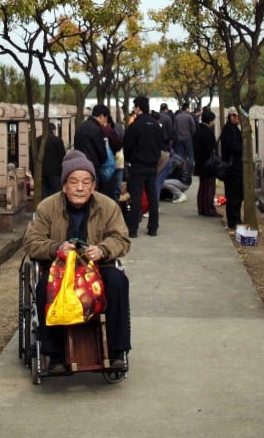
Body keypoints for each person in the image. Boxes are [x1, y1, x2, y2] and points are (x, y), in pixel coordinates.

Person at [22, 150, 131, 373]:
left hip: (98, 268)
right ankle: (55, 356)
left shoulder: (108, 206)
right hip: (59, 269)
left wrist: (102, 250)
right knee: (44, 287)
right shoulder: (48, 207)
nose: (80, 188)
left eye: (85, 182)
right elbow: (32, 242)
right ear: (64, 185)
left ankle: (116, 352)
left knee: (118, 281)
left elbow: (121, 239)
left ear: (93, 185)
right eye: (73, 182)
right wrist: (56, 248)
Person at [123, 96, 165, 237]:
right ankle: (153, 228)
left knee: (136, 197)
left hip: (137, 165)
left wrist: (129, 159)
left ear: (138, 108)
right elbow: (161, 143)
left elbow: (128, 146)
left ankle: (133, 229)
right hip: (152, 166)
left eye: (135, 107)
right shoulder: (156, 125)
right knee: (152, 196)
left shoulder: (134, 126)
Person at [220, 108, 244, 232]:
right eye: (237, 116)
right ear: (231, 117)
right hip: (232, 168)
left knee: (238, 194)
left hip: (236, 167)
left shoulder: (234, 129)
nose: (239, 119)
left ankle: (236, 218)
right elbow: (232, 147)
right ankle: (233, 221)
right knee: (233, 195)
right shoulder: (229, 130)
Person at [193, 108, 220, 217]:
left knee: (202, 187)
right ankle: (208, 209)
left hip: (200, 163)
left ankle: (202, 208)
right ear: (209, 121)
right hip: (208, 164)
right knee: (209, 187)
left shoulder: (198, 131)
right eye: (213, 120)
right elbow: (210, 150)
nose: (213, 123)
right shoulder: (208, 133)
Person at [74, 104, 109, 176]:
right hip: (92, 167)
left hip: (79, 165)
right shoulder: (96, 129)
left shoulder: (80, 126)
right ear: (101, 116)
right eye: (106, 118)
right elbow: (101, 152)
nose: (106, 121)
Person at [38, 123, 67, 198]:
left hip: (41, 173)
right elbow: (62, 156)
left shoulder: (37, 140)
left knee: (44, 196)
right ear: (53, 130)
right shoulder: (57, 140)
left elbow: (33, 158)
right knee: (57, 196)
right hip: (56, 173)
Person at [173, 102, 197, 172]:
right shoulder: (189, 117)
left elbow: (174, 128)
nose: (190, 110)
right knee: (190, 156)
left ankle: (183, 170)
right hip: (188, 138)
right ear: (187, 108)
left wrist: (177, 136)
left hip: (179, 139)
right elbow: (194, 128)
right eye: (189, 108)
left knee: (181, 156)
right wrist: (191, 134)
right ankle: (190, 170)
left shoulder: (177, 117)